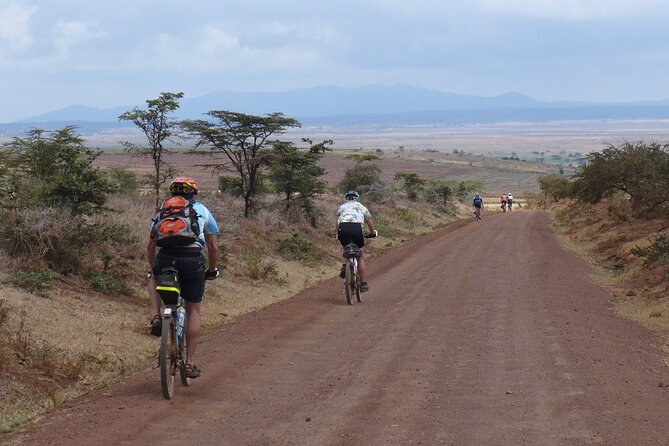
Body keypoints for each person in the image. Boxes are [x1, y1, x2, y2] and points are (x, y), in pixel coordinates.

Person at [147, 176, 220, 379]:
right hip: (192, 259)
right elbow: (213, 247)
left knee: (153, 277)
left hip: (166, 258)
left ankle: (156, 316)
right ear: (193, 193)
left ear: (172, 193)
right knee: (193, 309)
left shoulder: (164, 211)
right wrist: (212, 270)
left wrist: (153, 268)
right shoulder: (203, 211)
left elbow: (151, 246)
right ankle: (190, 362)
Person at [336, 190, 377, 292]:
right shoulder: (361, 206)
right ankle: (363, 283)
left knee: (345, 248)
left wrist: (337, 234)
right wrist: (372, 232)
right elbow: (369, 221)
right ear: (356, 198)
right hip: (356, 229)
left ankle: (344, 266)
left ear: (346, 198)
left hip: (343, 228)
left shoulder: (342, 207)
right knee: (360, 256)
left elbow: (338, 222)